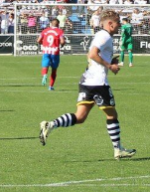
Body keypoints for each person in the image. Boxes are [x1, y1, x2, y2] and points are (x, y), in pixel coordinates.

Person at [39, 10, 136, 160]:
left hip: (87, 81)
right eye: (117, 23)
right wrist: (110, 67)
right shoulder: (104, 36)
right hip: (98, 83)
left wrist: (110, 62)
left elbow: (91, 55)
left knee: (80, 117)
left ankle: (50, 125)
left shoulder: (101, 36)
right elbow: (92, 54)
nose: (119, 27)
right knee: (112, 115)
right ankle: (118, 150)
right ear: (110, 24)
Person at [39, 18, 67, 90]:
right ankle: (50, 86)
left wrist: (43, 44)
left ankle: (44, 75)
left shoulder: (45, 31)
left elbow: (38, 40)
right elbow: (62, 41)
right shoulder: (59, 31)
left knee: (45, 65)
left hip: (46, 51)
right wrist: (62, 45)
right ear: (58, 24)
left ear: (51, 24)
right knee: (54, 70)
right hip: (55, 52)